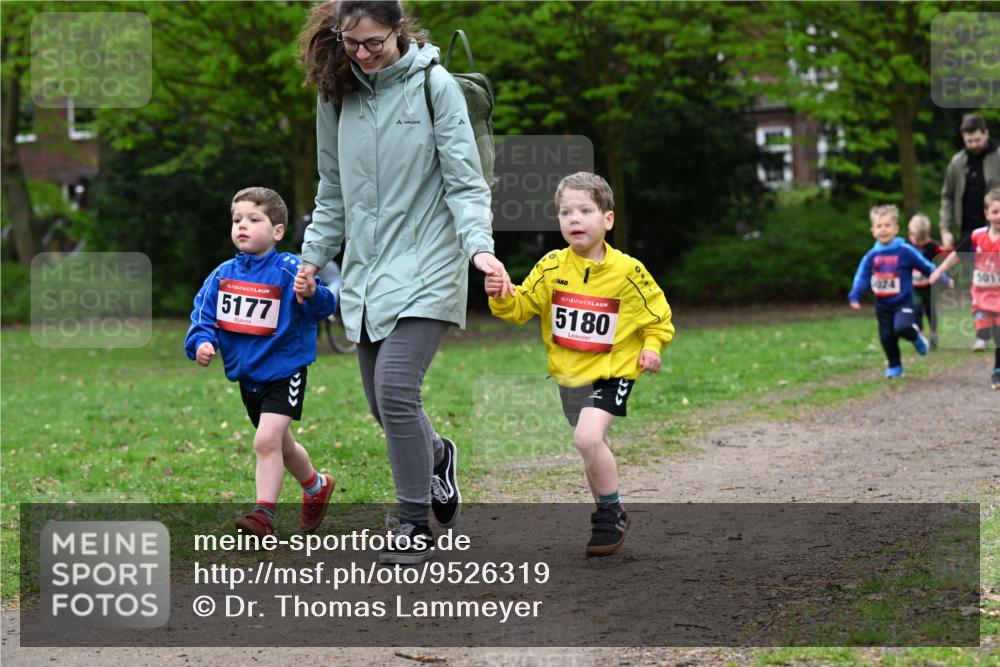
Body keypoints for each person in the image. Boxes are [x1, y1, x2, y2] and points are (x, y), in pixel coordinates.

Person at [296, 0, 514, 565]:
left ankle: (413, 522)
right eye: (352, 43)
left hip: (433, 260)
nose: (364, 55)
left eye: (374, 43)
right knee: (381, 404)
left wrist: (481, 253)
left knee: (396, 390)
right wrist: (312, 258)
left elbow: (466, 185)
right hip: (369, 270)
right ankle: (437, 455)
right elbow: (332, 190)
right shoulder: (336, 95)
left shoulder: (434, 86)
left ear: (399, 31)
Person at [486, 172, 675, 557]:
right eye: (565, 212)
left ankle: (612, 511)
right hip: (569, 375)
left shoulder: (628, 271)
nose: (574, 219)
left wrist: (652, 347)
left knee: (587, 438)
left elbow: (658, 316)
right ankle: (607, 516)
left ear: (607, 219)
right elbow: (523, 307)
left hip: (613, 371)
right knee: (593, 447)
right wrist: (502, 295)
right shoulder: (552, 266)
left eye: (585, 210)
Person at [185, 187, 337, 537]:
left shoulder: (291, 270)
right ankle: (316, 487)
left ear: (277, 231)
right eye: (237, 219)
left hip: (285, 371)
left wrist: (312, 293)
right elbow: (203, 318)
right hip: (248, 376)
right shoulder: (222, 275)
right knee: (281, 446)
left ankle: (262, 516)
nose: (243, 226)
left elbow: (324, 307)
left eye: (254, 219)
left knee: (266, 441)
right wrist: (202, 343)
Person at [849, 204, 951, 379]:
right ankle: (895, 366)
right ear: (873, 231)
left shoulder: (905, 250)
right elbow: (863, 277)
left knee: (902, 327)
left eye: (887, 225)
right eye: (879, 226)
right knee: (886, 337)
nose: (883, 230)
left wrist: (942, 277)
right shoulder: (871, 256)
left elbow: (924, 265)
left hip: (903, 301)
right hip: (882, 305)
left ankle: (916, 338)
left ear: (896, 229)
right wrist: (855, 295)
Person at [931, 188, 1000, 389]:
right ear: (986, 213)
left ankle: (997, 370)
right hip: (980, 295)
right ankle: (983, 336)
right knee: (986, 330)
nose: (999, 216)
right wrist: (940, 270)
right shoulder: (976, 236)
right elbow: (957, 255)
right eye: (995, 211)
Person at [940, 113, 1000, 249]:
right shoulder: (957, 162)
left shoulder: (998, 157)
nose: (974, 145)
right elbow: (947, 197)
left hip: (995, 228)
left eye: (977, 140)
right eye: (969, 141)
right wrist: (945, 230)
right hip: (967, 232)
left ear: (986, 134)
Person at [906, 213, 947, 348]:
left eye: (922, 240)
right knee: (916, 311)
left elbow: (945, 257)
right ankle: (921, 337)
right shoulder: (906, 247)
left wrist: (945, 278)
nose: (918, 243)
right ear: (910, 234)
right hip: (914, 287)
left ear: (927, 235)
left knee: (931, 311)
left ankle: (934, 334)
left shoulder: (933, 247)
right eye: (916, 240)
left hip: (930, 287)